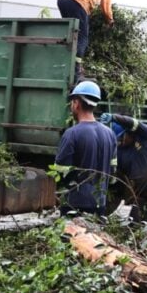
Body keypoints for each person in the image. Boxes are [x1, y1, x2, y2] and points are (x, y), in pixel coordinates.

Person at [55, 80, 117, 216]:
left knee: (73, 237)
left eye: (72, 102)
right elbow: (112, 173)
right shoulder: (110, 134)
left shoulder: (72, 133)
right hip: (100, 203)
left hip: (75, 204)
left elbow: (60, 171)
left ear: (76, 103)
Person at [57, 0, 115, 77]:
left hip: (63, 0)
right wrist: (110, 20)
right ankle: (76, 69)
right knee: (82, 37)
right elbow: (105, 5)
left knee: (71, 33)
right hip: (79, 2)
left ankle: (64, 62)